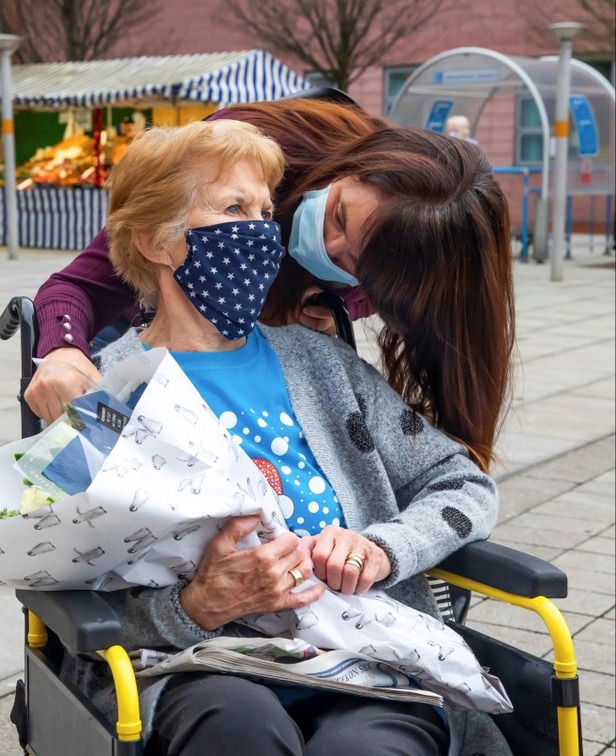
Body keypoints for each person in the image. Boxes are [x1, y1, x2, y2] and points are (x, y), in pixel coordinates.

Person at [62, 118, 513, 756]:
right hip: (205, 666)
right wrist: (193, 607)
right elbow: (69, 591)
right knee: (236, 730)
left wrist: (382, 546)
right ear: (159, 241)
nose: (261, 232)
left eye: (266, 212)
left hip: (368, 661)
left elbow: (462, 483)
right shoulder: (109, 397)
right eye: (235, 209)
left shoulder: (320, 363)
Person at [26, 95, 514, 475]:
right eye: (340, 214)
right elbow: (80, 286)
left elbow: (447, 476)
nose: (328, 240)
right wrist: (64, 352)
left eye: (349, 259)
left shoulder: (327, 365)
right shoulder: (237, 155)